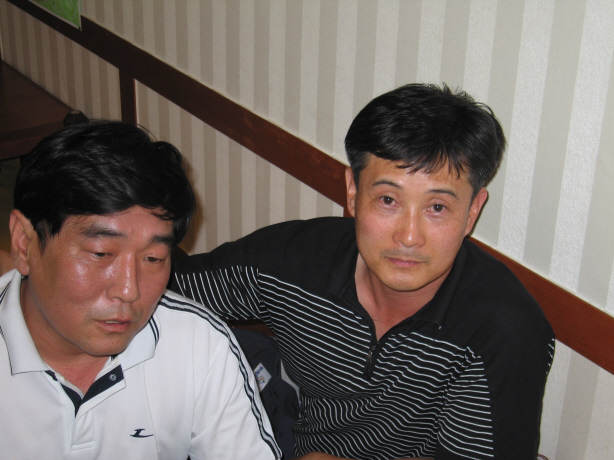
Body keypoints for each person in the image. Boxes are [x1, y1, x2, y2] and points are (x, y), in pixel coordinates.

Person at [170, 84, 555, 460]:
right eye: (388, 200)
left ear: (472, 211)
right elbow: (164, 290)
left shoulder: (502, 330)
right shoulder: (291, 263)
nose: (408, 236)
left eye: (437, 208)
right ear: (353, 192)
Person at [0, 121, 282, 459]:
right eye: (101, 254)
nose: (129, 291)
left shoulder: (200, 344)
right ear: (24, 242)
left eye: (153, 258)